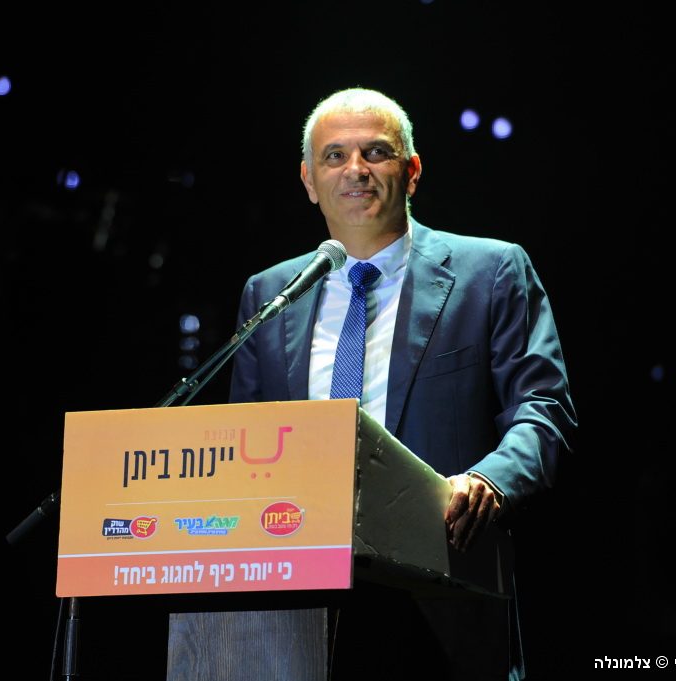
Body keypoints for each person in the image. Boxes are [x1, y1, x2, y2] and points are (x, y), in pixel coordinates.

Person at [229, 88, 576, 680]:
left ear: (412, 171)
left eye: (376, 153)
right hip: (296, 600)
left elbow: (543, 408)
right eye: (335, 156)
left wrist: (492, 478)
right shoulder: (271, 293)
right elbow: (245, 439)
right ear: (309, 180)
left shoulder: (490, 272)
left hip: (440, 586)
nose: (355, 170)